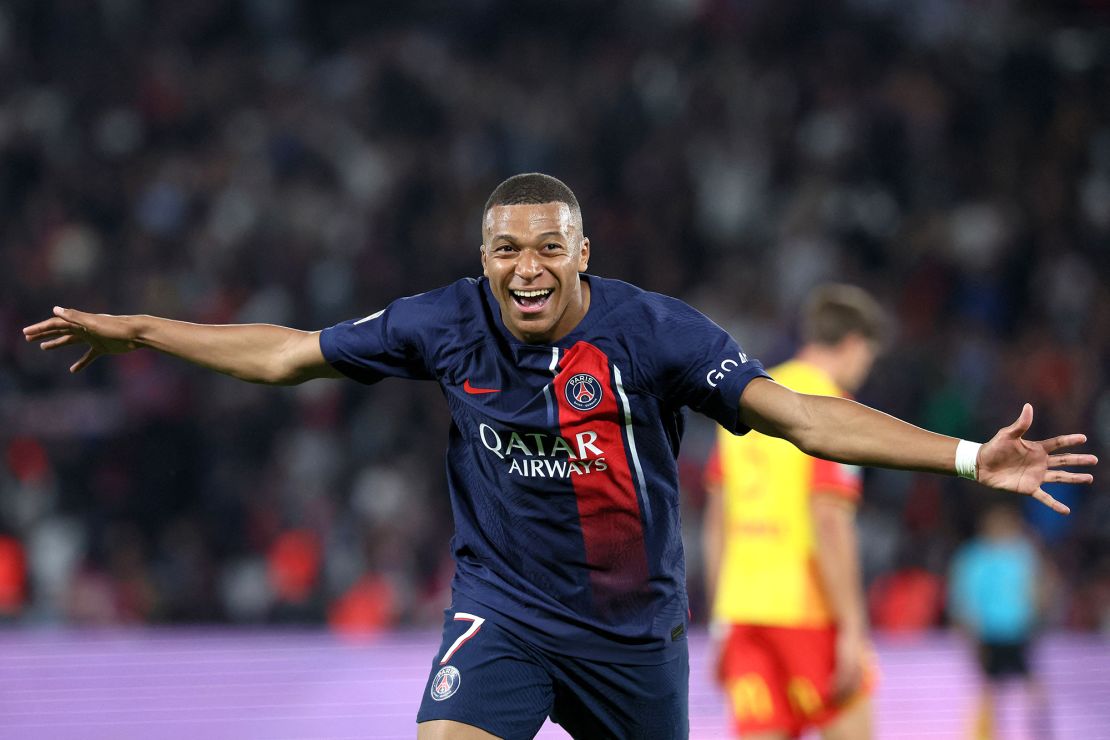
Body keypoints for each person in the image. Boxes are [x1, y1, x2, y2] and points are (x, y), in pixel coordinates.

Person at [23, 173, 1095, 740]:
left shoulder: (653, 332)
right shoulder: (442, 322)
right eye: (505, 248)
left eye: (547, 246)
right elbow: (288, 355)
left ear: (585, 253)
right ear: (481, 259)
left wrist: (965, 457)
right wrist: (144, 328)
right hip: (506, 609)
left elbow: (800, 416)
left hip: (635, 634)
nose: (525, 267)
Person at [702, 284, 886, 739]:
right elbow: (829, 521)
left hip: (744, 613)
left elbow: (716, 522)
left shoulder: (751, 396)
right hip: (809, 612)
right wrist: (852, 629)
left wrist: (721, 620)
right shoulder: (833, 409)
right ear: (855, 344)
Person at [950, 503, 1053, 739]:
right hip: (987, 632)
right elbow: (964, 594)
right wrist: (968, 628)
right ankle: (989, 734)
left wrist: (1038, 614)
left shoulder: (1023, 551)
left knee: (1028, 684)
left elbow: (1036, 587)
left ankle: (1040, 731)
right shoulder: (974, 555)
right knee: (989, 687)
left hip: (1018, 630)